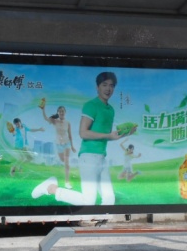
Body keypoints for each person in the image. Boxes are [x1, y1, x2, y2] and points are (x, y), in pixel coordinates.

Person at [32, 72, 135, 206]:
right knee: (88, 201)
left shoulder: (110, 110)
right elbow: (83, 133)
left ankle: (98, 220)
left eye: (111, 86)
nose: (108, 89)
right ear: (97, 87)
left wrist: (126, 133)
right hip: (89, 157)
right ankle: (51, 188)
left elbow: (106, 135)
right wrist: (107, 135)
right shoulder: (91, 105)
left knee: (109, 199)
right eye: (104, 85)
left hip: (101, 158)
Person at [41, 103, 76, 189]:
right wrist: (43, 109)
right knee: (62, 160)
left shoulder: (68, 123)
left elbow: (70, 135)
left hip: (67, 143)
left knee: (66, 162)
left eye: (63, 111)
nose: (61, 112)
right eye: (60, 111)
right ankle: (66, 166)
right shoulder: (55, 121)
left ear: (65, 112)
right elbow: (46, 118)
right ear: (58, 113)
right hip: (58, 144)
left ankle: (67, 182)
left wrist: (72, 146)